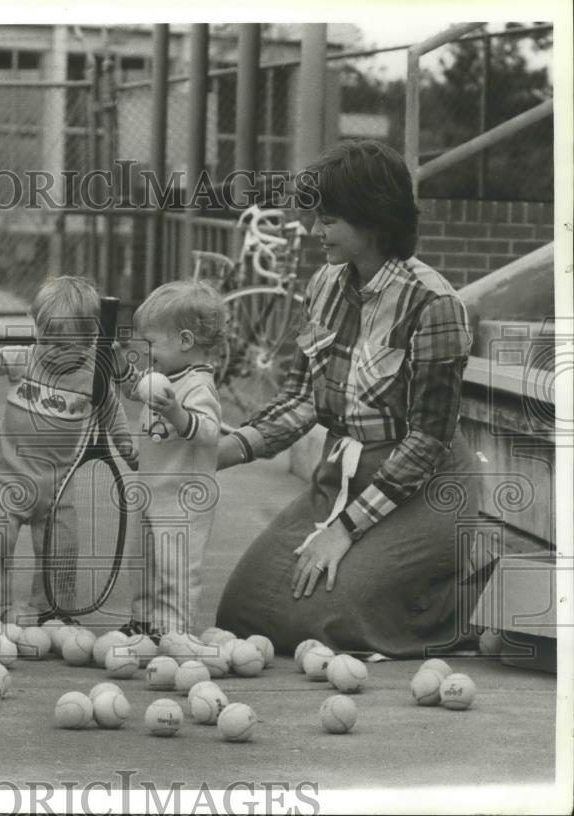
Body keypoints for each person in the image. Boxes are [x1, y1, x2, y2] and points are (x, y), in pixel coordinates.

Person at [214, 139, 478, 658]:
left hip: (425, 487)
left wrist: (344, 530)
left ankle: (458, 599)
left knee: (319, 619)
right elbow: (302, 398)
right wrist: (227, 449)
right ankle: (386, 581)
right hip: (343, 475)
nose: (315, 232)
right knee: (247, 613)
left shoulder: (434, 304)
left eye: (328, 220)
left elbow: (427, 441)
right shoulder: (325, 285)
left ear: (373, 220)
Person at [0, 276, 135, 625]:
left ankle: (52, 610)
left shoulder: (94, 375)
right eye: (46, 339)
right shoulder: (26, 358)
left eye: (64, 343)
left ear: (91, 340)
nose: (51, 349)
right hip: (6, 481)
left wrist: (125, 444)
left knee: (61, 552)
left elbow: (111, 410)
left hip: (59, 486)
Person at [113, 279, 226, 640]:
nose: (147, 352)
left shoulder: (197, 386)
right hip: (153, 492)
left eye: (153, 343)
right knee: (143, 560)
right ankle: (144, 620)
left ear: (185, 342)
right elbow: (135, 388)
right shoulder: (164, 375)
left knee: (176, 567)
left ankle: (175, 630)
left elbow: (209, 432)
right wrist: (117, 363)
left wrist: (178, 414)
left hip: (183, 499)